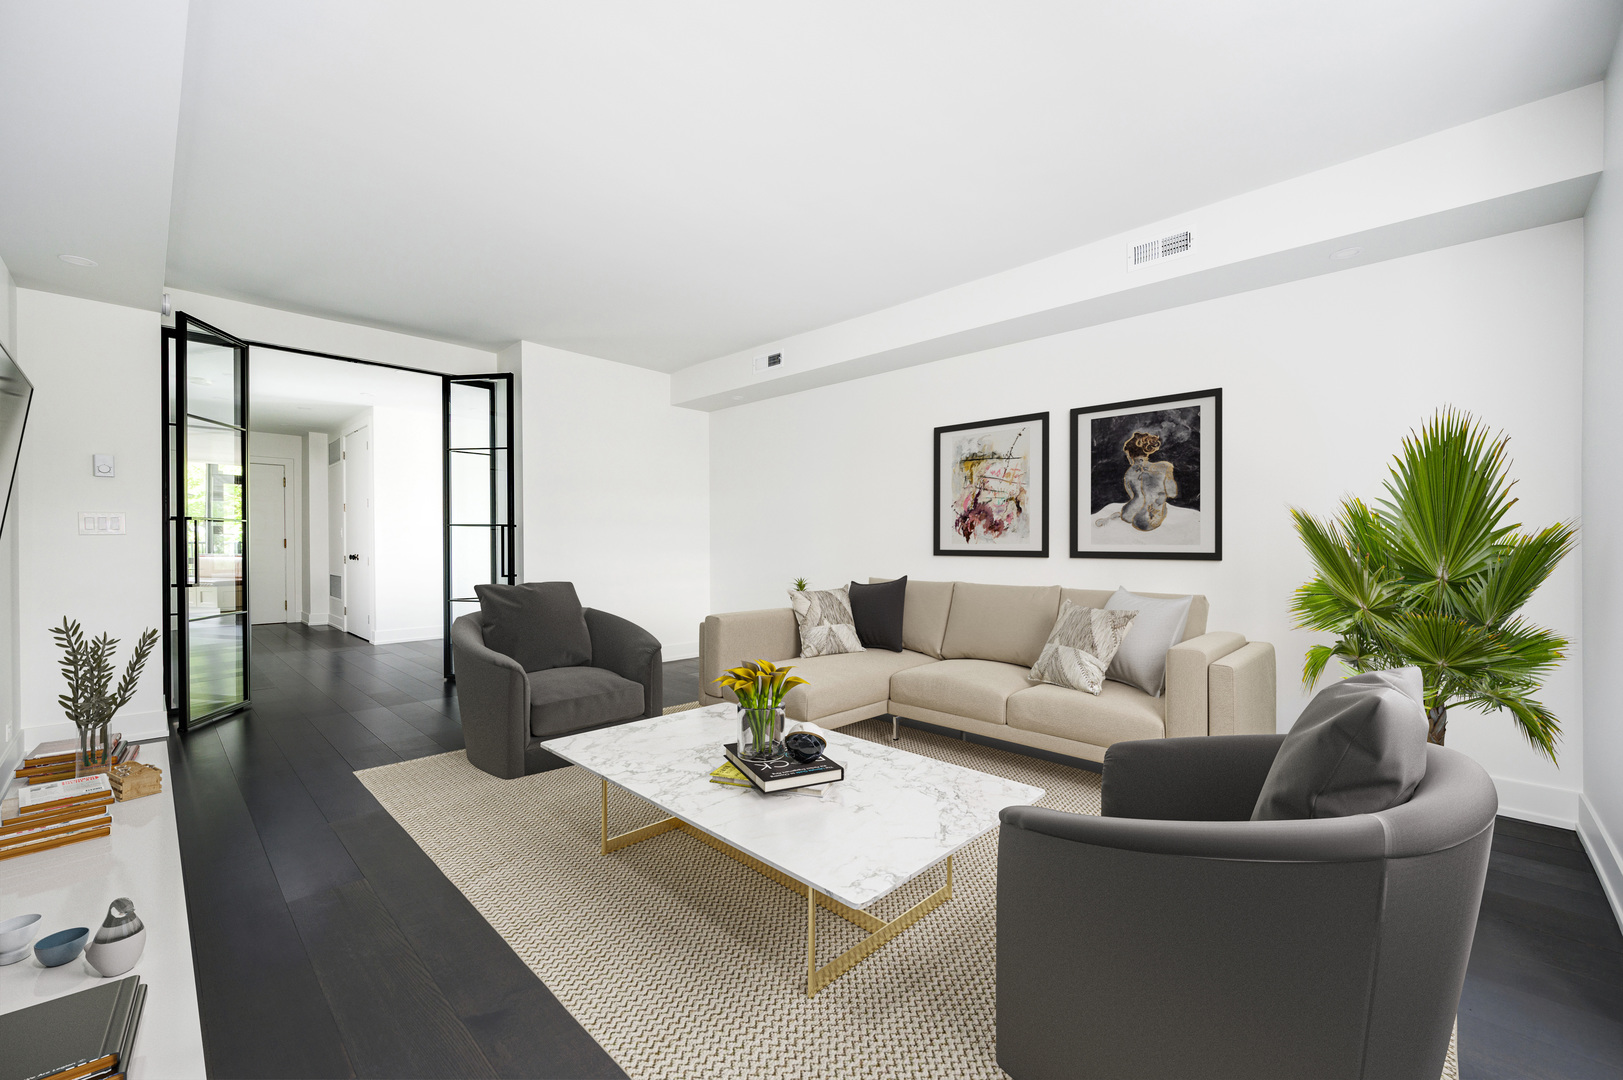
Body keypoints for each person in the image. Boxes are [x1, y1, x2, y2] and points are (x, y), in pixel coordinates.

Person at [1095, 430, 1176, 531]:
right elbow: (1172, 493)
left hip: (1130, 515)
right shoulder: (1165, 466)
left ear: (1130, 455)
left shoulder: (1129, 474)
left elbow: (1134, 497)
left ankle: (1114, 517)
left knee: (1128, 510)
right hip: (1154, 515)